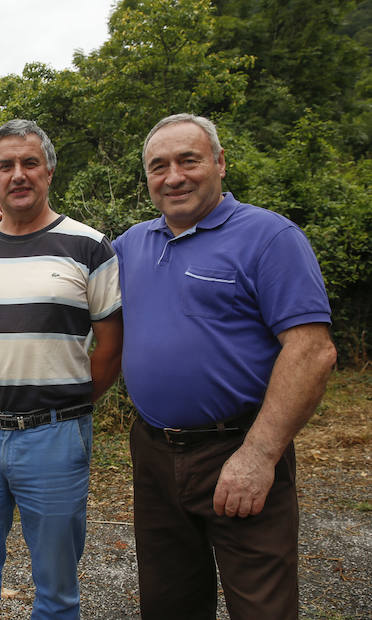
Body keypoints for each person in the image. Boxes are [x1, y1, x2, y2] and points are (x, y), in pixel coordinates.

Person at [112, 113, 338, 619]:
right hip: (154, 452)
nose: (173, 176)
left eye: (188, 161)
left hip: (238, 447)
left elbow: (312, 351)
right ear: (147, 178)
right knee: (169, 602)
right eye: (159, 166)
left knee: (261, 605)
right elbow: (67, 267)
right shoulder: (130, 246)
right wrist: (4, 227)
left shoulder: (269, 238)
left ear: (219, 164)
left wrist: (259, 456)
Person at [0, 119, 123, 619]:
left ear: (49, 171)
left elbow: (110, 348)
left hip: (56, 435)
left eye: (29, 163)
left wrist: (67, 401)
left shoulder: (91, 247)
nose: (18, 174)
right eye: (5, 165)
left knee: (57, 584)